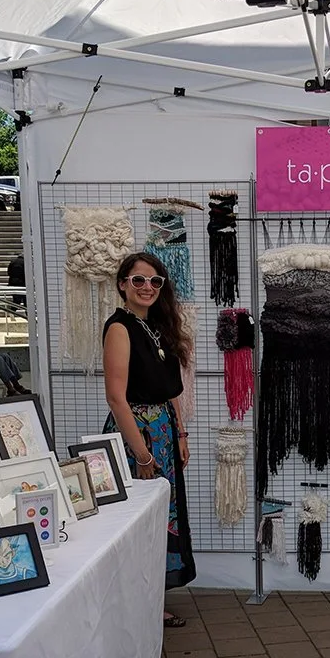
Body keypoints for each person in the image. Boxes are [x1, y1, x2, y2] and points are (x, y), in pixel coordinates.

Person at [102, 252, 196, 625]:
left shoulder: (157, 326)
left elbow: (170, 390)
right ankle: (136, 607)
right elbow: (116, 398)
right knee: (138, 521)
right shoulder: (119, 328)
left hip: (164, 433)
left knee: (160, 520)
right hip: (137, 437)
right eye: (138, 280)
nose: (147, 287)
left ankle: (151, 602)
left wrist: (180, 432)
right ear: (122, 284)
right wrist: (141, 455)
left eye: (155, 281)